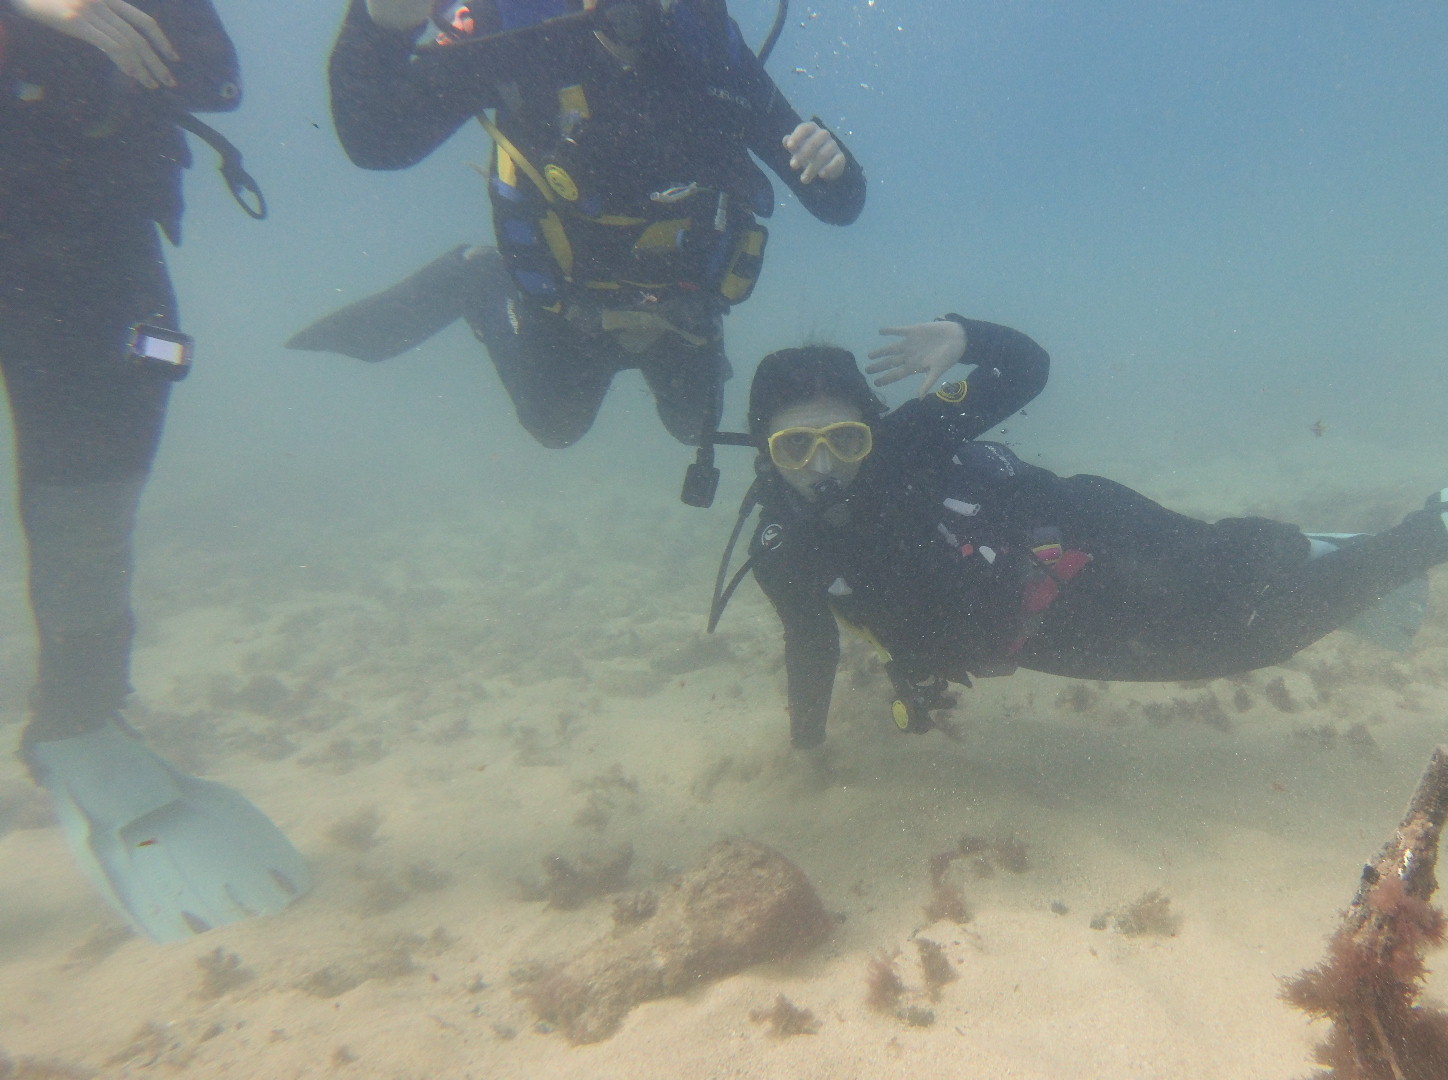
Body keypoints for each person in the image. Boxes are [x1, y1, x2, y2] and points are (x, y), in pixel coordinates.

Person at [714, 317, 1448, 750]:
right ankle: (1335, 550)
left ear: (874, 428)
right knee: (1234, 578)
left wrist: (967, 336)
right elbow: (811, 641)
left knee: (1244, 634)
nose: (826, 466)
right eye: (796, 449)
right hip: (1044, 625)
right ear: (762, 452)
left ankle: (1447, 528)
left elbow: (1024, 371)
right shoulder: (781, 555)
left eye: (844, 437)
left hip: (1079, 539)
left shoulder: (911, 442)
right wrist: (808, 748)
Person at [288, 0, 866, 504]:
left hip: (681, 302)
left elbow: (835, 204)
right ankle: (479, 279)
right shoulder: (516, 28)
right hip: (565, 294)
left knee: (694, 426)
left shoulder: (710, 45)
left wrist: (835, 168)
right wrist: (383, 26)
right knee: (554, 426)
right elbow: (377, 140)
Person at [1, 0, 308, 940]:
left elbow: (215, 76)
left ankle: (81, 714)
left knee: (93, 506)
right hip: (64, 242)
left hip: (92, 251)